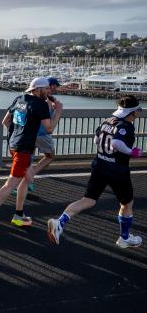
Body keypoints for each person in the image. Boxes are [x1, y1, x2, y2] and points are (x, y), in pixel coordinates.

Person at [48, 95, 143, 248]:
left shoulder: (107, 121)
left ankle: (60, 222)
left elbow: (96, 140)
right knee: (127, 203)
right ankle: (124, 238)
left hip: (100, 166)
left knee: (88, 200)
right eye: (137, 111)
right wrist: (131, 152)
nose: (138, 115)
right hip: (117, 171)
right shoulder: (126, 126)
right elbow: (117, 142)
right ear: (131, 113)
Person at [0, 77, 62, 236]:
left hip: (14, 146)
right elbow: (49, 129)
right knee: (10, 184)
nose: (49, 91)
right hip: (23, 150)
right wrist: (58, 111)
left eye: (49, 89)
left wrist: (16, 135)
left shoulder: (19, 99)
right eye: (46, 89)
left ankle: (19, 215)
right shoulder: (40, 104)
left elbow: (5, 121)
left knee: (27, 179)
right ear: (37, 89)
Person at [14, 77, 61, 196]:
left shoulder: (22, 100)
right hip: (41, 133)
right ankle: (28, 179)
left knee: (27, 160)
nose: (55, 88)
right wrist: (58, 111)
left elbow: (9, 120)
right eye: (54, 86)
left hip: (23, 137)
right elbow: (49, 127)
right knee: (50, 156)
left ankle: (22, 184)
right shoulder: (43, 102)